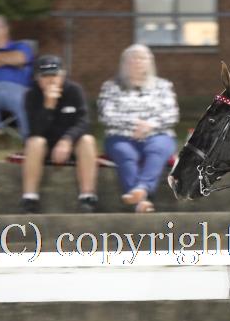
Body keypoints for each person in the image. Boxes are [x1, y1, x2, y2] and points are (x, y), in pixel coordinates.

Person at [98, 44, 179, 213]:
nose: (137, 62)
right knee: (125, 154)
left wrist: (150, 126)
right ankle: (141, 201)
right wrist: (136, 125)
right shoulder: (111, 87)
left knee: (157, 149)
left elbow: (171, 114)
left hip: (158, 134)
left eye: (142, 58)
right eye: (132, 58)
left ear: (150, 62)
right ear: (124, 63)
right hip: (121, 136)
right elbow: (106, 114)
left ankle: (141, 189)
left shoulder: (163, 86)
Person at [20, 55, 98, 214]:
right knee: (34, 142)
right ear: (37, 79)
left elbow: (84, 122)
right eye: (45, 76)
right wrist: (48, 106)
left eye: (54, 75)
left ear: (62, 75)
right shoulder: (31, 95)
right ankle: (30, 198)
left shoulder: (74, 91)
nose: (51, 80)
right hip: (45, 144)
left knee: (87, 140)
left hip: (71, 143)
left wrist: (67, 140)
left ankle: (87, 197)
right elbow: (35, 130)